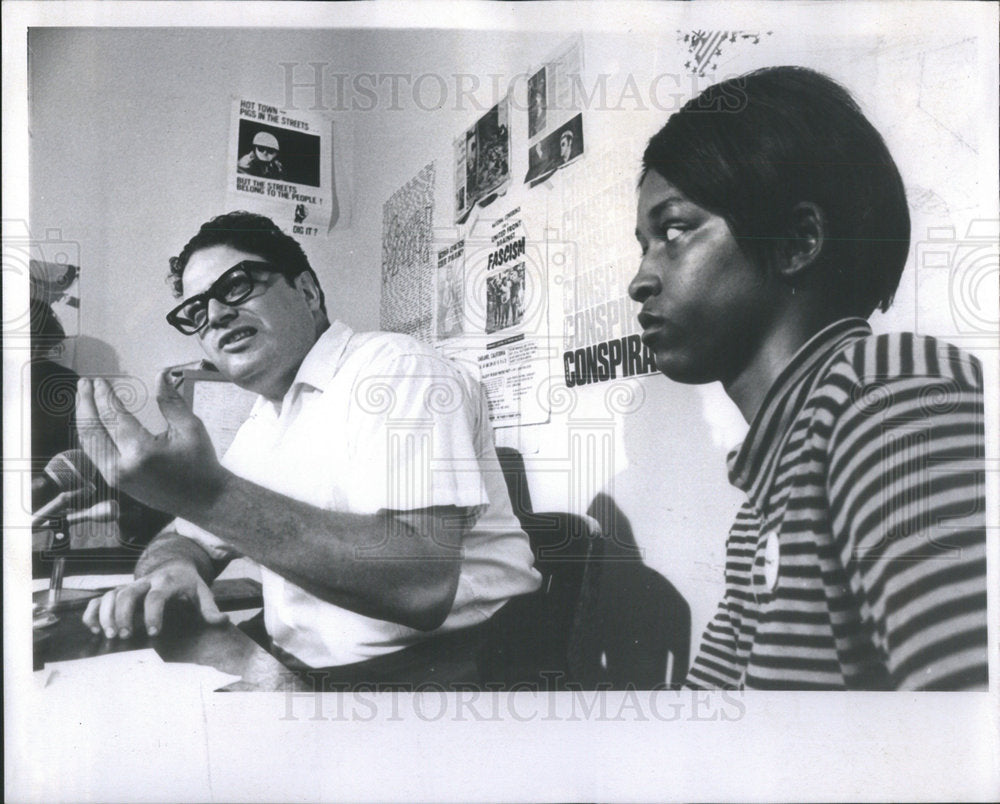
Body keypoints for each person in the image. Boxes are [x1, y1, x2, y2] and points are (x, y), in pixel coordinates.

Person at [629, 66, 987, 690]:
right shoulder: (772, 484)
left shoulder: (887, 396)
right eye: (644, 244)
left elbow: (969, 724)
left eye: (676, 231)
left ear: (797, 242)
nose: (640, 279)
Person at [78, 211, 540, 686]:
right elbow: (187, 538)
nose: (215, 315)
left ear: (307, 291)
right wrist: (171, 570)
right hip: (301, 664)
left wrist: (206, 496)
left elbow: (420, 585)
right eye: (196, 312)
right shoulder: (265, 417)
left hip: (440, 671)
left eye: (236, 286)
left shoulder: (394, 369)